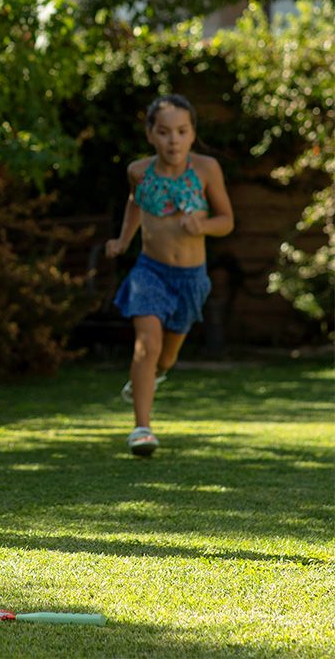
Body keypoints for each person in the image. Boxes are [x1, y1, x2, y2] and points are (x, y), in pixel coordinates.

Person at [105, 94, 234, 457]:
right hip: (150, 271)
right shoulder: (138, 171)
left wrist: (203, 225)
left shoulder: (207, 170)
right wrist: (122, 240)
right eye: (163, 132)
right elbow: (135, 202)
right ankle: (142, 429)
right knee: (148, 345)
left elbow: (227, 221)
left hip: (191, 278)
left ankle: (146, 379)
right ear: (150, 135)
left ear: (192, 135)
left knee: (166, 359)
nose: (172, 140)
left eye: (181, 131)